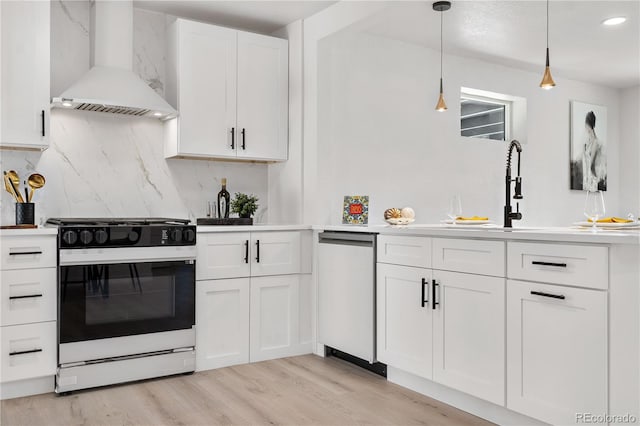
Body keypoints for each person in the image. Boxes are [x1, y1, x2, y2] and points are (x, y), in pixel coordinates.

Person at [581, 111, 607, 191]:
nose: (585, 127)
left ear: (588, 125)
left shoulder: (595, 142)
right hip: (587, 178)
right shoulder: (587, 142)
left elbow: (591, 165)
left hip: (591, 180)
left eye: (585, 125)